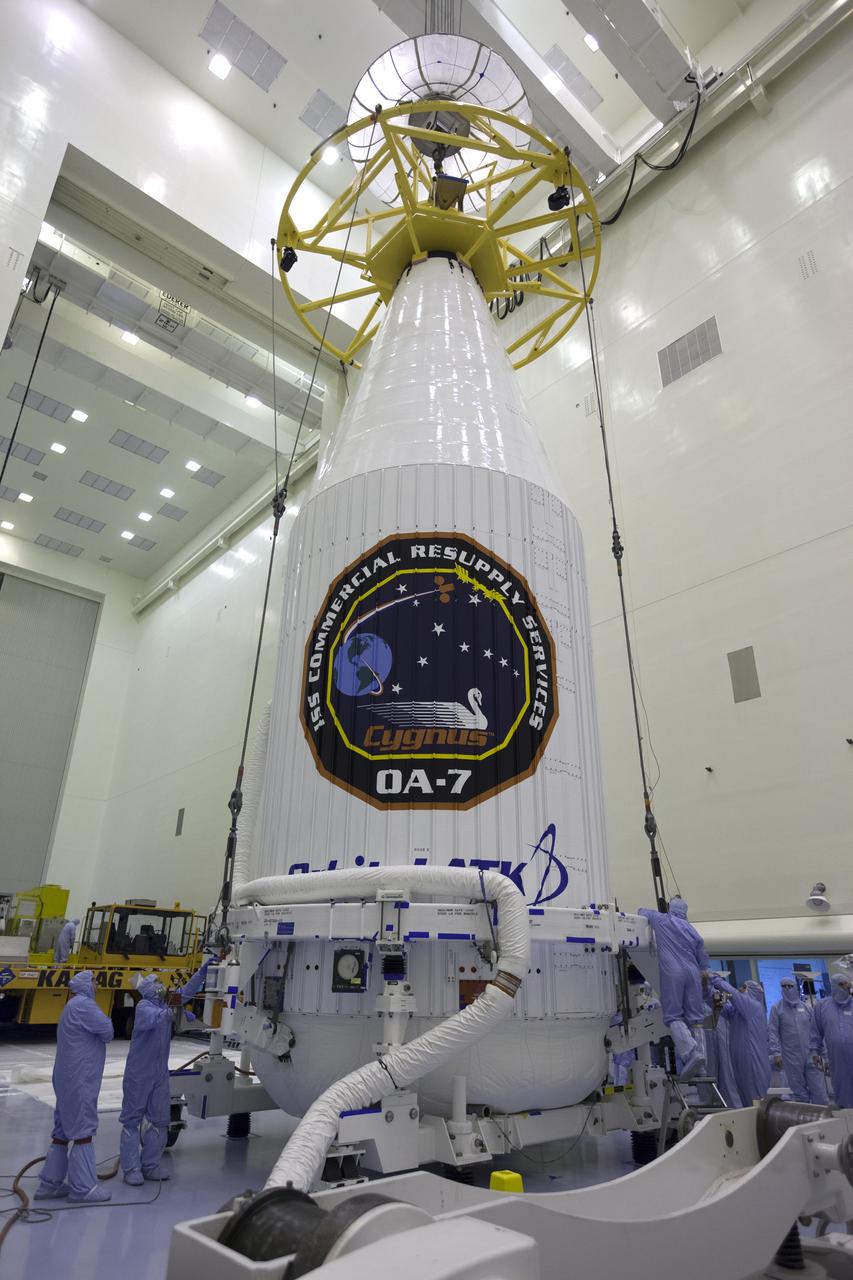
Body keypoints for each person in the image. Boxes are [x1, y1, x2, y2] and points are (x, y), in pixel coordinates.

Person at [119, 960, 211, 1185]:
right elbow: (156, 1018)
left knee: (160, 1120)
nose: (161, 985)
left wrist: (202, 973)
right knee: (132, 1121)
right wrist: (176, 1013)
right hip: (139, 1074)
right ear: (149, 989)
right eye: (157, 983)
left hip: (159, 1073)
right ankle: (131, 1169)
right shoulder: (144, 1007)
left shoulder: (163, 1004)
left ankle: (150, 1165)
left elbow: (185, 993)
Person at [35, 970, 114, 1202]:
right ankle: (83, 1188)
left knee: (62, 1131)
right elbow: (108, 1031)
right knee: (83, 1130)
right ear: (85, 985)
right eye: (94, 981)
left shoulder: (71, 1005)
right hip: (80, 1078)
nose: (97, 985)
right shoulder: (84, 1005)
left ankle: (49, 1185)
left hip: (67, 1077)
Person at [638, 897, 709, 1079]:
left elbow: (640, 912)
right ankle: (701, 1066)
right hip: (693, 972)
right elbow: (702, 955)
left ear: (670, 908)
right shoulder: (691, 929)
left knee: (673, 1015)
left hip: (673, 972)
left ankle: (691, 1053)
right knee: (696, 1019)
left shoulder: (661, 919)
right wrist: (703, 971)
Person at [709, 974, 771, 1105]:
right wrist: (708, 990)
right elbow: (721, 1006)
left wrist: (713, 978)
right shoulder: (738, 1013)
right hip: (741, 1065)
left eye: (743, 987)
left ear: (751, 992)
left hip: (754, 1064)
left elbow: (734, 995)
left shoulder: (754, 1007)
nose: (740, 989)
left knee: (756, 1103)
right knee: (747, 1103)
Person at [768, 976, 828, 1104]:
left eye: (790, 986)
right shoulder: (777, 1009)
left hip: (811, 1055)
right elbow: (773, 1032)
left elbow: (816, 1031)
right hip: (791, 1057)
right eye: (784, 986)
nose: (787, 989)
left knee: (819, 1091)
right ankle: (804, 1115)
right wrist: (776, 1053)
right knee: (799, 1093)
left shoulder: (806, 1008)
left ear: (795, 987)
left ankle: (822, 1115)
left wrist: (822, 1053)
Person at [811, 973, 853, 1108]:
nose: (846, 987)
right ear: (834, 986)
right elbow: (815, 1031)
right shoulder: (822, 1006)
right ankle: (846, 1112)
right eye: (842, 985)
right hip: (836, 1056)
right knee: (841, 1083)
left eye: (847, 984)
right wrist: (814, 1052)